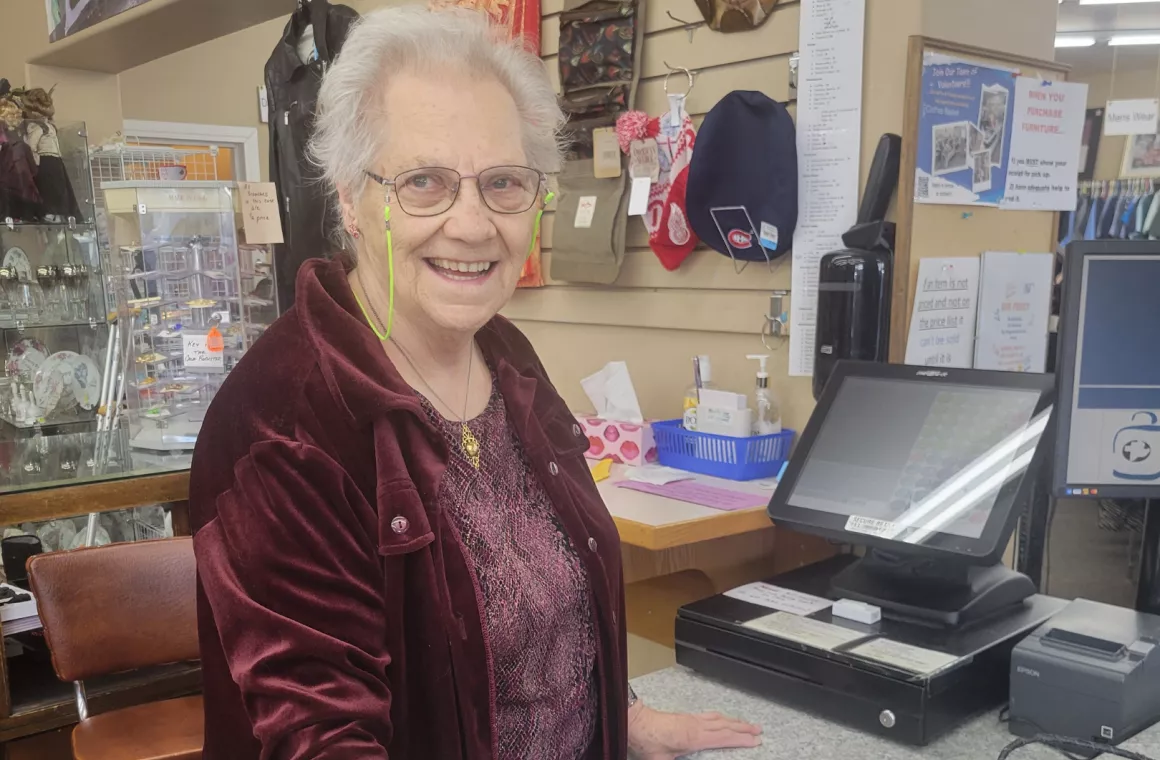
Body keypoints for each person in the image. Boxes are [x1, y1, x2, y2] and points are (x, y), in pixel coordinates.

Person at [189, 6, 762, 759]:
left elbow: (559, 604)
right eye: (424, 182)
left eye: (502, 183)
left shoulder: (508, 356)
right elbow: (318, 737)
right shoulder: (284, 422)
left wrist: (619, 715)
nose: (472, 223)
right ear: (347, 200)